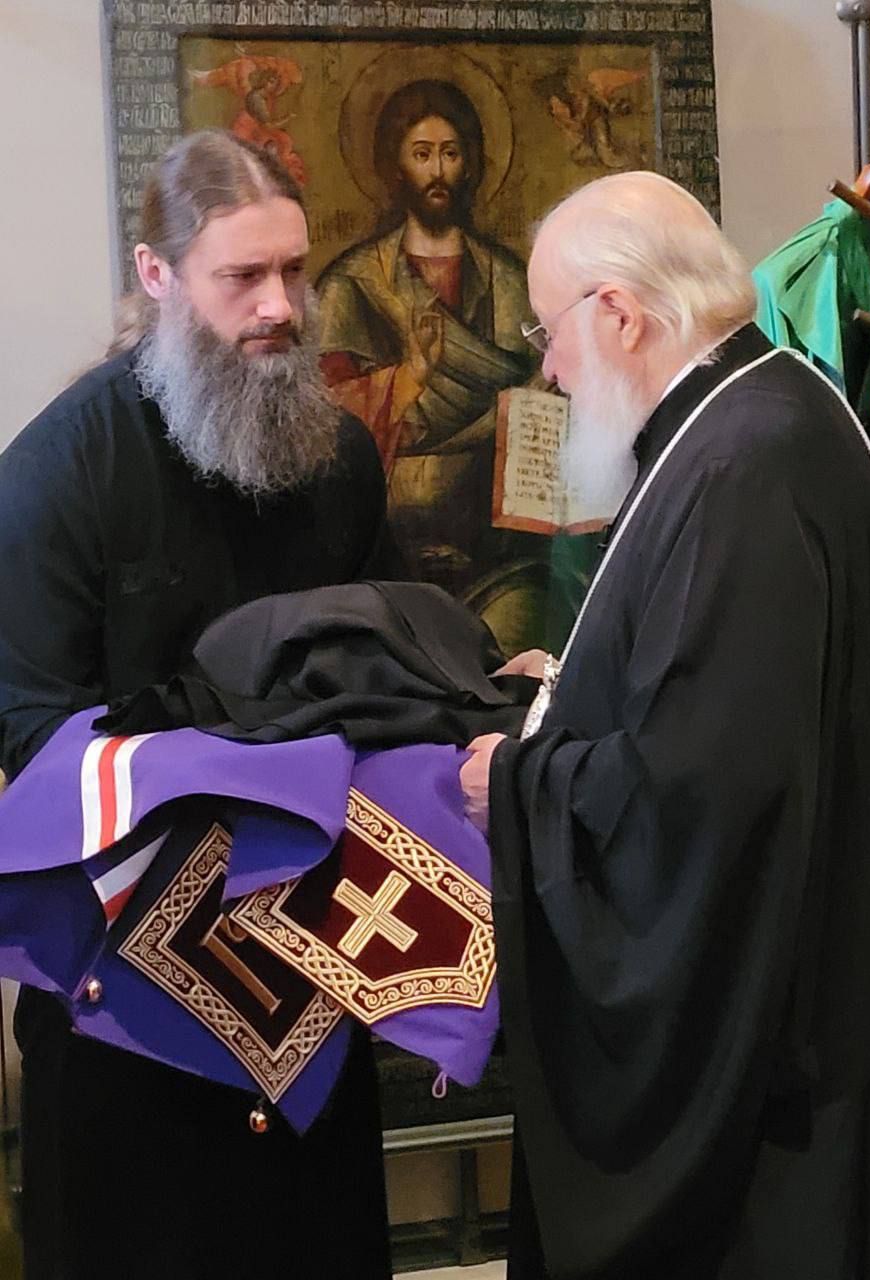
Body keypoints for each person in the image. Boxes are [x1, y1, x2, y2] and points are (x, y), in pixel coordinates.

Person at [460, 171, 870, 1279]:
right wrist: (574, 681)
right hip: (821, 1000)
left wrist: (519, 780)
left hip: (784, 1077)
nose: (548, 369)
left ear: (619, 313)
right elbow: (719, 688)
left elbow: (703, 795)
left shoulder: (743, 463)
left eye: (548, 332)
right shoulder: (757, 413)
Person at [0, 128, 397, 1279]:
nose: (280, 306)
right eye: (243, 275)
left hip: (308, 981)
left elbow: (384, 667)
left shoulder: (342, 459)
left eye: (294, 270)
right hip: (124, 1002)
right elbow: (31, 737)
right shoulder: (58, 473)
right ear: (158, 273)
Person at [314, 79, 552, 651]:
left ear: (471, 164)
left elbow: (541, 405)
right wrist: (408, 379)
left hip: (500, 555)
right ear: (394, 167)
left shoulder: (509, 280)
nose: (438, 171)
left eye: (451, 153)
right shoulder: (353, 284)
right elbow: (326, 418)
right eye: (422, 154)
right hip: (384, 558)